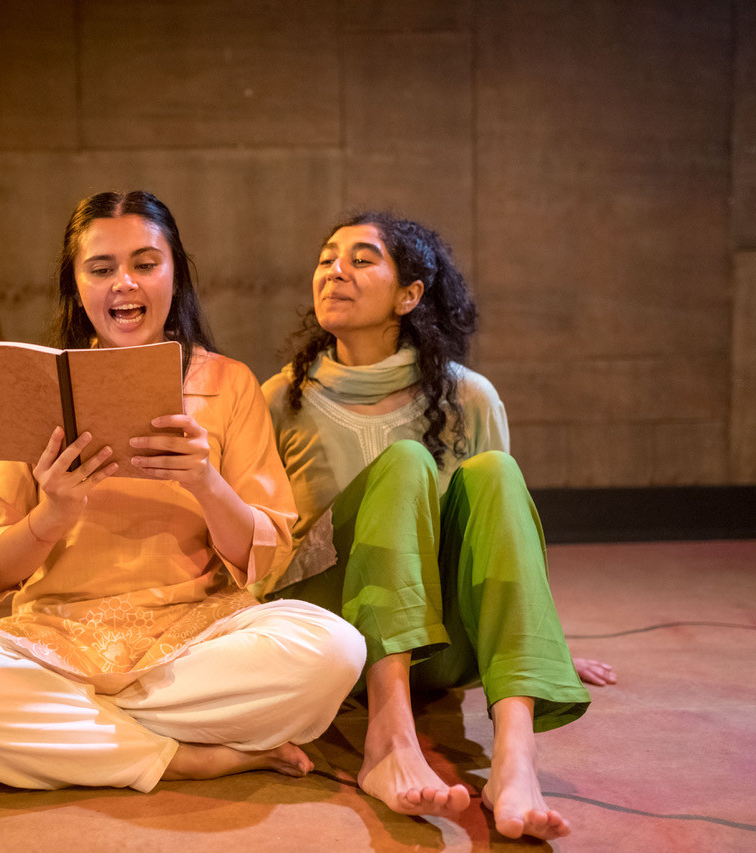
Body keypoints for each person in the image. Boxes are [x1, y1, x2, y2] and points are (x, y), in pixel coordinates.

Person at [0, 190, 366, 793]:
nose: (124, 285)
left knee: (335, 647)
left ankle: (75, 736)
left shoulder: (228, 382)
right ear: (76, 285)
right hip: (55, 641)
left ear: (174, 274)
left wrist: (204, 481)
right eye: (101, 268)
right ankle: (181, 754)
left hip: (195, 639)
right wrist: (53, 512)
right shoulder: (26, 390)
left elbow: (267, 553)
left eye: (145, 263)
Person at [260, 212, 613, 840]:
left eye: (362, 259)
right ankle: (388, 739)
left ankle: (515, 757)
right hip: (332, 641)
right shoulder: (277, 399)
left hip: (441, 645)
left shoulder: (470, 396)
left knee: (497, 473)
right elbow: (262, 548)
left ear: (410, 294)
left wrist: (535, 636)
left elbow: (503, 535)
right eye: (326, 258)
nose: (335, 271)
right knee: (404, 463)